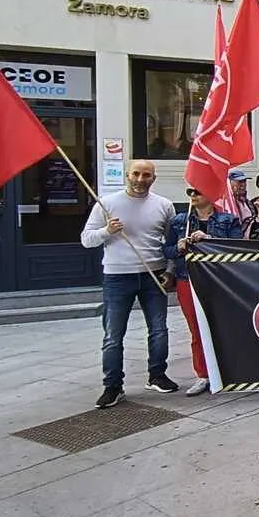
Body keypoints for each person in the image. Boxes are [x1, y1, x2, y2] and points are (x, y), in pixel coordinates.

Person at [80, 160, 178, 409]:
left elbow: (171, 243)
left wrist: (169, 271)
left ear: (153, 178)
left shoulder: (164, 205)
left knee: (159, 330)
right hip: (117, 276)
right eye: (136, 173)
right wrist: (107, 231)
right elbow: (86, 239)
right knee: (113, 335)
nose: (141, 179)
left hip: (153, 273)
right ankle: (113, 385)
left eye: (147, 175)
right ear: (127, 175)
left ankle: (157, 375)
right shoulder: (107, 203)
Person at [163, 188, 243, 396]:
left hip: (220, 281)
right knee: (196, 329)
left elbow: (237, 247)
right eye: (190, 191)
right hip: (187, 279)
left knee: (225, 325)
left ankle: (229, 370)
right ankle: (203, 374)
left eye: (198, 191)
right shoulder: (180, 220)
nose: (193, 195)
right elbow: (166, 250)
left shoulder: (228, 219)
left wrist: (209, 238)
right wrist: (179, 247)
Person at [225, 170, 258, 235]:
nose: (243, 185)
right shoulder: (226, 204)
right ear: (230, 183)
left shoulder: (248, 203)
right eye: (239, 182)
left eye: (244, 181)